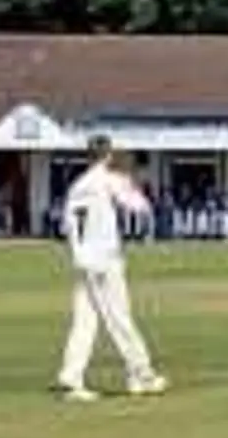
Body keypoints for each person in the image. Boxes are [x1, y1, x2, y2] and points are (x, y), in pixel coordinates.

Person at [54, 135, 168, 402]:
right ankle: (142, 374)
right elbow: (139, 207)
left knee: (85, 322)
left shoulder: (77, 185)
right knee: (120, 319)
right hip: (105, 260)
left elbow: (66, 226)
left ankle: (71, 377)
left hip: (83, 260)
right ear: (107, 155)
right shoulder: (108, 179)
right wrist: (133, 184)